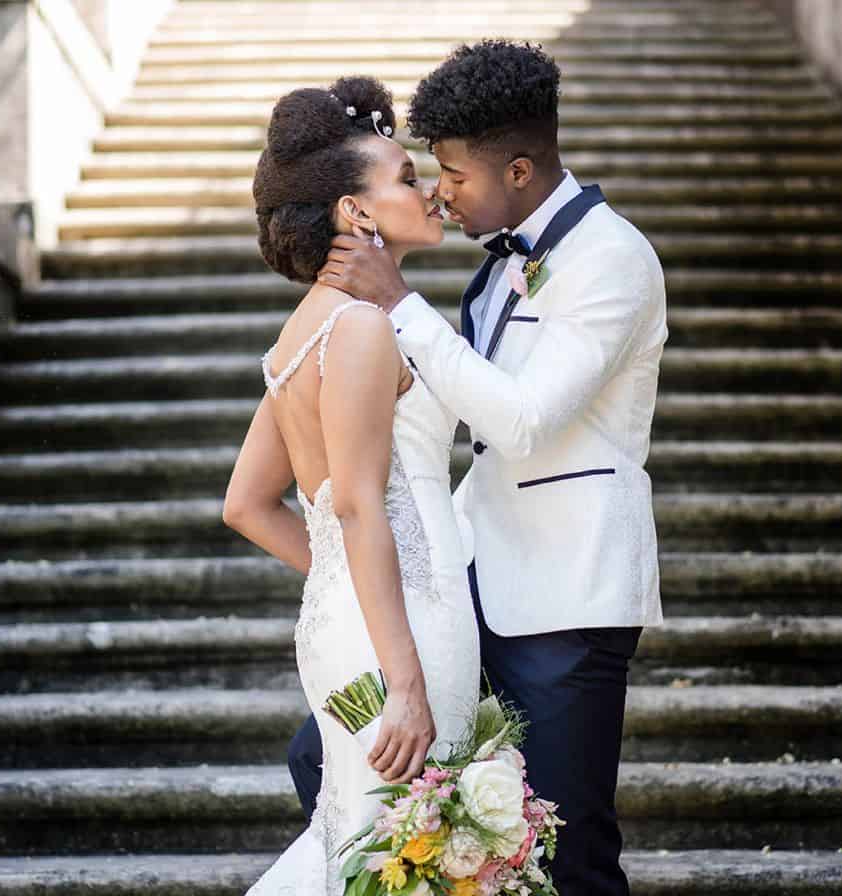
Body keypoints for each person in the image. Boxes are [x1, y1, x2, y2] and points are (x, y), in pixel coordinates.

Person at [308, 40, 669, 895]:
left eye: (456, 177)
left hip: (568, 599)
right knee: (343, 762)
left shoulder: (613, 259)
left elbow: (524, 423)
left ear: (517, 168)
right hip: (475, 576)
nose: (441, 192)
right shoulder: (499, 266)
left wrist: (399, 304)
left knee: (569, 849)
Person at [222, 74, 481, 895]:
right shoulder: (365, 327)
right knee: (405, 857)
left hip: (347, 623)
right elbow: (360, 501)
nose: (430, 191)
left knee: (378, 849)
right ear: (355, 213)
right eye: (405, 178)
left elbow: (246, 504)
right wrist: (404, 675)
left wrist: (341, 578)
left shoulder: (301, 334)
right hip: (402, 632)